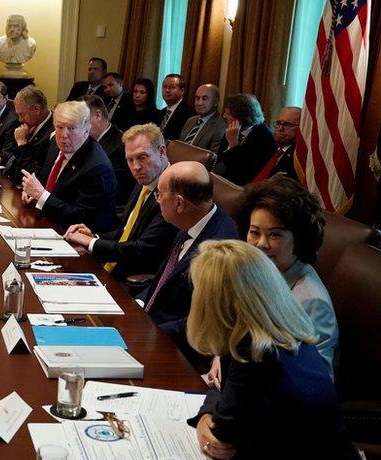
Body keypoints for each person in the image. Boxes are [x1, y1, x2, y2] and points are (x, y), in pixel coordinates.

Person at [186, 239, 381, 460]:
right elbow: (226, 403)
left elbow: (223, 435)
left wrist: (207, 417)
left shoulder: (251, 352)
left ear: (218, 303)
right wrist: (209, 412)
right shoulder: (283, 332)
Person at [137, 161, 238, 364]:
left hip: (178, 352)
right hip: (151, 326)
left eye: (159, 195)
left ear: (180, 203)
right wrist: (137, 304)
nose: (157, 201)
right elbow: (162, 280)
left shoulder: (218, 248)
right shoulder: (190, 222)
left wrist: (148, 333)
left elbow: (206, 319)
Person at [235, 175, 338, 369]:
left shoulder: (312, 302)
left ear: (299, 239)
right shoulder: (256, 272)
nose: (261, 244)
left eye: (275, 234)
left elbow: (317, 382)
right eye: (255, 232)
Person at [64, 124, 178, 282]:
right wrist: (94, 235)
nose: (136, 167)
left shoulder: (171, 194)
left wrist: (93, 243)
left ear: (161, 152)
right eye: (130, 160)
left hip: (132, 278)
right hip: (112, 265)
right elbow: (126, 232)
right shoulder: (145, 180)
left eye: (142, 157)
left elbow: (142, 249)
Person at [20, 101, 117, 232]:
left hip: (73, 237)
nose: (63, 135)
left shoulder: (97, 167)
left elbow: (80, 217)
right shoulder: (56, 145)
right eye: (59, 127)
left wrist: (41, 195)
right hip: (45, 221)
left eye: (71, 128)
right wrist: (31, 192)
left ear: (86, 130)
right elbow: (44, 182)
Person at [81, 94, 133, 206]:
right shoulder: (84, 140)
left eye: (83, 121)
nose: (79, 126)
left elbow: (109, 191)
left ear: (98, 115)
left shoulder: (121, 146)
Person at [214, 94, 277, 185]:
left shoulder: (264, 137)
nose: (224, 116)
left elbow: (242, 173)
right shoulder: (232, 130)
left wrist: (233, 145)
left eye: (228, 114)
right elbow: (219, 162)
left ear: (241, 117)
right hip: (222, 182)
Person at [4, 85, 53, 186]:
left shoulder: (53, 133)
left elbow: (31, 175)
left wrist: (22, 143)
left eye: (22, 114)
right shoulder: (29, 126)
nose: (20, 119)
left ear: (36, 109)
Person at [250, 107, 300, 183]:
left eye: (287, 124)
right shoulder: (268, 147)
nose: (280, 128)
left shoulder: (298, 157)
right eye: (278, 123)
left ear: (301, 127)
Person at [178, 84, 226, 153]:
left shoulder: (220, 126)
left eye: (205, 98)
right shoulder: (191, 120)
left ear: (216, 102)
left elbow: (211, 158)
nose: (199, 103)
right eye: (197, 98)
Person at [158, 74, 194, 140]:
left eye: (172, 87)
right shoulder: (161, 112)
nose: (167, 90)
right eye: (165, 87)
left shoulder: (188, 114)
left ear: (182, 91)